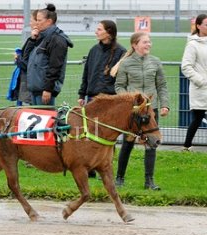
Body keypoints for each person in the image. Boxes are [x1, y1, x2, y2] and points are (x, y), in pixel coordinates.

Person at [114, 32, 170, 190]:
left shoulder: (156, 62)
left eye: (149, 42)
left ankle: (149, 181)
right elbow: (119, 86)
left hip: (151, 111)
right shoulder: (125, 63)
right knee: (128, 143)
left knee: (151, 143)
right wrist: (129, 101)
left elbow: (162, 86)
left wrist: (165, 104)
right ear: (135, 45)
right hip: (134, 112)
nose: (149, 44)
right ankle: (119, 178)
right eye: (145, 42)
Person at [77, 20, 126, 178]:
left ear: (109, 32)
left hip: (110, 101)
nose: (96, 32)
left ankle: (106, 166)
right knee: (89, 133)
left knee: (107, 135)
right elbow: (86, 73)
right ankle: (89, 167)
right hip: (92, 99)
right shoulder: (94, 50)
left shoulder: (121, 52)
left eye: (99, 29)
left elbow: (121, 78)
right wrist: (81, 94)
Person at [26, 3, 73, 106]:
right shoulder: (40, 37)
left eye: (39, 20)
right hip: (35, 89)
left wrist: (48, 89)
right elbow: (26, 58)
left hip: (45, 91)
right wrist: (32, 39)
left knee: (47, 120)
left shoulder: (57, 40)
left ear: (49, 21)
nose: (36, 23)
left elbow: (55, 67)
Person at [181, 14, 207, 152]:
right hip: (200, 89)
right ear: (198, 26)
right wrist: (200, 81)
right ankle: (186, 146)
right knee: (197, 119)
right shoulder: (192, 45)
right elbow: (186, 66)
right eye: (206, 24)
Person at [14, 9, 39, 106]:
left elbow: (28, 64)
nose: (30, 23)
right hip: (29, 85)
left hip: (31, 86)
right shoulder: (33, 39)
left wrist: (18, 59)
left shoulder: (39, 41)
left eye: (32, 20)